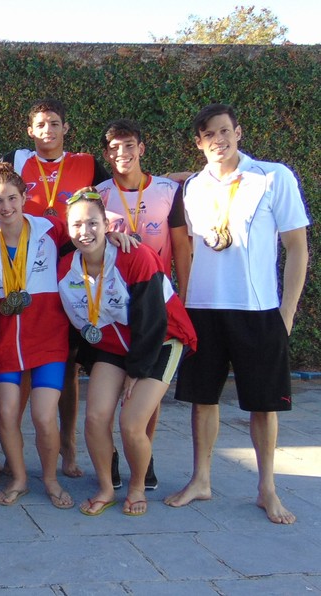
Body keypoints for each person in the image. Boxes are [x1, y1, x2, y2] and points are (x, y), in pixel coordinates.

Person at [165, 103, 309, 525]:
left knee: (263, 405)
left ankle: (267, 489)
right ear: (199, 143)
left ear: (238, 132)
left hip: (257, 310)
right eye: (209, 135)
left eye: (225, 131)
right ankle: (201, 480)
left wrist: (287, 312)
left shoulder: (273, 177)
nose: (219, 140)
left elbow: (297, 248)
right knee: (202, 399)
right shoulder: (191, 187)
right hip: (204, 309)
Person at [59, 187, 196, 516]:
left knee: (132, 423)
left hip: (161, 341)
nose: (85, 231)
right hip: (112, 347)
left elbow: (153, 321)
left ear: (107, 225)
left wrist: (137, 371)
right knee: (95, 418)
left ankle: (136, 487)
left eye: (93, 223)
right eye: (77, 225)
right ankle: (106, 487)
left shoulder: (135, 256)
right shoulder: (65, 266)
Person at [3, 98, 109, 478]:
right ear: (30, 130)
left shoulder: (88, 164)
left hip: (72, 269)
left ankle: (67, 446)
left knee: (66, 367)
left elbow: (122, 186)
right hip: (26, 272)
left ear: (66, 128)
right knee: (22, 361)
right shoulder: (17, 161)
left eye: (54, 123)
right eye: (40, 124)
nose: (47, 130)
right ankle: (13, 449)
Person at [97, 118, 192, 490]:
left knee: (144, 394)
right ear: (106, 155)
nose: (122, 153)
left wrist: (186, 296)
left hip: (157, 303)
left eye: (129, 145)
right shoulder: (99, 194)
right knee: (110, 395)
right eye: (114, 148)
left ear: (141, 148)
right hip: (114, 306)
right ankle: (112, 456)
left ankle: (144, 457)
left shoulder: (168, 190)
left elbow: (181, 246)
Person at [0, 162, 72, 509]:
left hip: (48, 339)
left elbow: (88, 234)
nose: (6, 207)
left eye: (12, 198)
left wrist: (114, 235)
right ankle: (19, 478)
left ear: (24, 198)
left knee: (44, 416)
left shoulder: (51, 229)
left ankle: (50, 478)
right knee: (6, 414)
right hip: (5, 341)